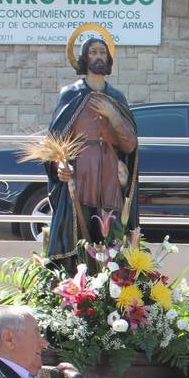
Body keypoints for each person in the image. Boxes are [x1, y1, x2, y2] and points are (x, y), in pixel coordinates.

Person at [45, 36, 139, 261]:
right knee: (78, 231)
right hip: (81, 173)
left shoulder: (116, 97)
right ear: (84, 58)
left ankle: (110, 284)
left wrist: (113, 115)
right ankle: (76, 286)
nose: (99, 56)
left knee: (111, 236)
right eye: (94, 52)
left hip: (109, 176)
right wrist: (60, 166)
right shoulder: (71, 94)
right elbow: (55, 141)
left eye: (103, 53)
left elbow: (130, 144)